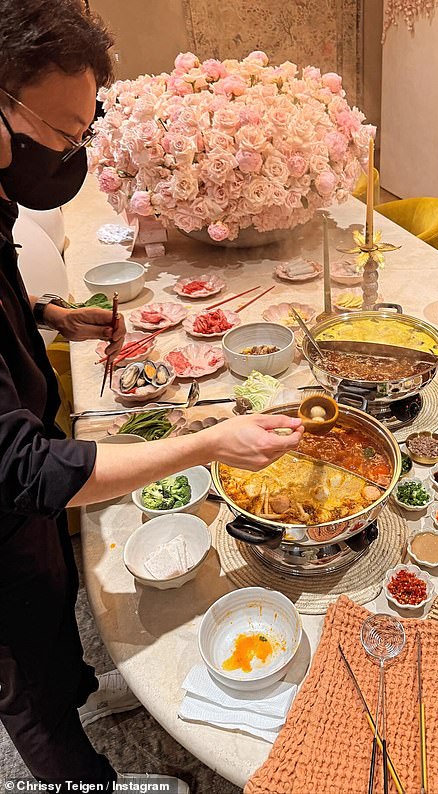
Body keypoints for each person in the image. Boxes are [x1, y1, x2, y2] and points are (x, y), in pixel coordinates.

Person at [0, 2, 303, 791]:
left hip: (24, 497)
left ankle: (78, 686)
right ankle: (80, 774)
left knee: (54, 609)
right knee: (24, 686)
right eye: (63, 135)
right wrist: (207, 442)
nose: (67, 153)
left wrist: (44, 313)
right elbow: (25, 471)